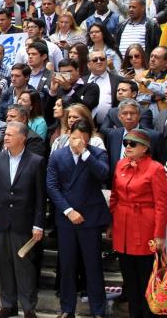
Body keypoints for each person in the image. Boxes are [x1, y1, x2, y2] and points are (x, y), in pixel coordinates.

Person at [46, 120, 110, 318]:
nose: (78, 141)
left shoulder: (97, 154)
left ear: (89, 138)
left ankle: (98, 310)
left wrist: (85, 153)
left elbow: (104, 174)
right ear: (68, 134)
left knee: (93, 265)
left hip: (90, 217)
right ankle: (67, 308)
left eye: (83, 138)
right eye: (75, 137)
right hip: (66, 218)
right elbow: (52, 186)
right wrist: (68, 210)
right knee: (67, 265)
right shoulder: (57, 155)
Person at [0, 123, 46, 318]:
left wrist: (38, 224)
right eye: (6, 135)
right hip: (2, 221)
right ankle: (8, 304)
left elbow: (40, 197)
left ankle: (28, 307)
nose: (6, 138)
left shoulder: (35, 161)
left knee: (24, 265)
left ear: (23, 138)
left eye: (11, 135)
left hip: (24, 222)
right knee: (4, 264)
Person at [109, 129, 167, 318]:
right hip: (123, 227)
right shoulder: (120, 165)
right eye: (126, 143)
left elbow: (161, 204)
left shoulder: (155, 168)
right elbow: (114, 197)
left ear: (145, 148)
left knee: (145, 280)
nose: (128, 147)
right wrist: (112, 224)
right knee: (129, 280)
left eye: (133, 144)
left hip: (144, 228)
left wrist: (159, 235)